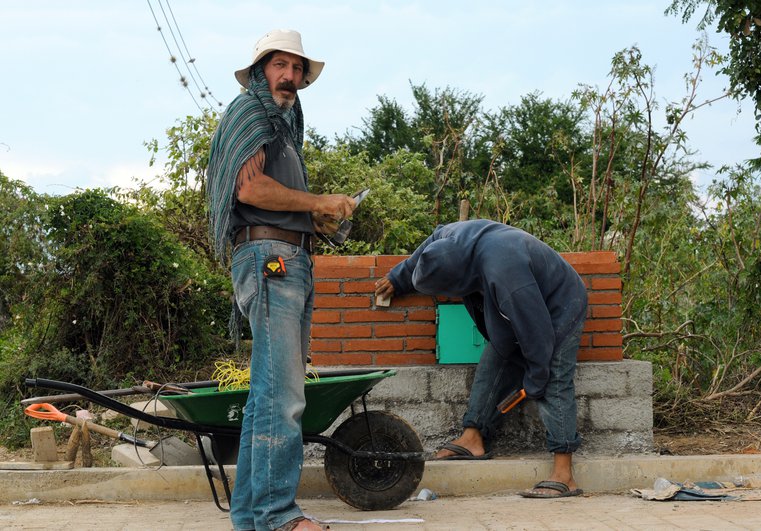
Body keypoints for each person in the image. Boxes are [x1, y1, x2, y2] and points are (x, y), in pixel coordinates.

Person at [207, 29, 354, 531]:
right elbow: (250, 188)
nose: (290, 77)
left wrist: (319, 218)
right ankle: (277, 515)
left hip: (286, 256)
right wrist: (317, 203)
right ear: (260, 71)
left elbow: (280, 199)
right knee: (283, 397)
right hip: (271, 260)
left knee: (267, 397)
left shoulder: (283, 129)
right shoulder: (250, 113)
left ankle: (252, 516)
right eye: (280, 66)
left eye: (296, 68)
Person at [375, 219, 588, 499]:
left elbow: (537, 335)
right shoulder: (450, 239)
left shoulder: (504, 273)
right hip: (523, 304)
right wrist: (398, 278)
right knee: (495, 358)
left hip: (559, 304)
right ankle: (473, 438)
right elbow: (425, 250)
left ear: (459, 278)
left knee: (553, 378)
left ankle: (564, 473)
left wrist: (536, 378)